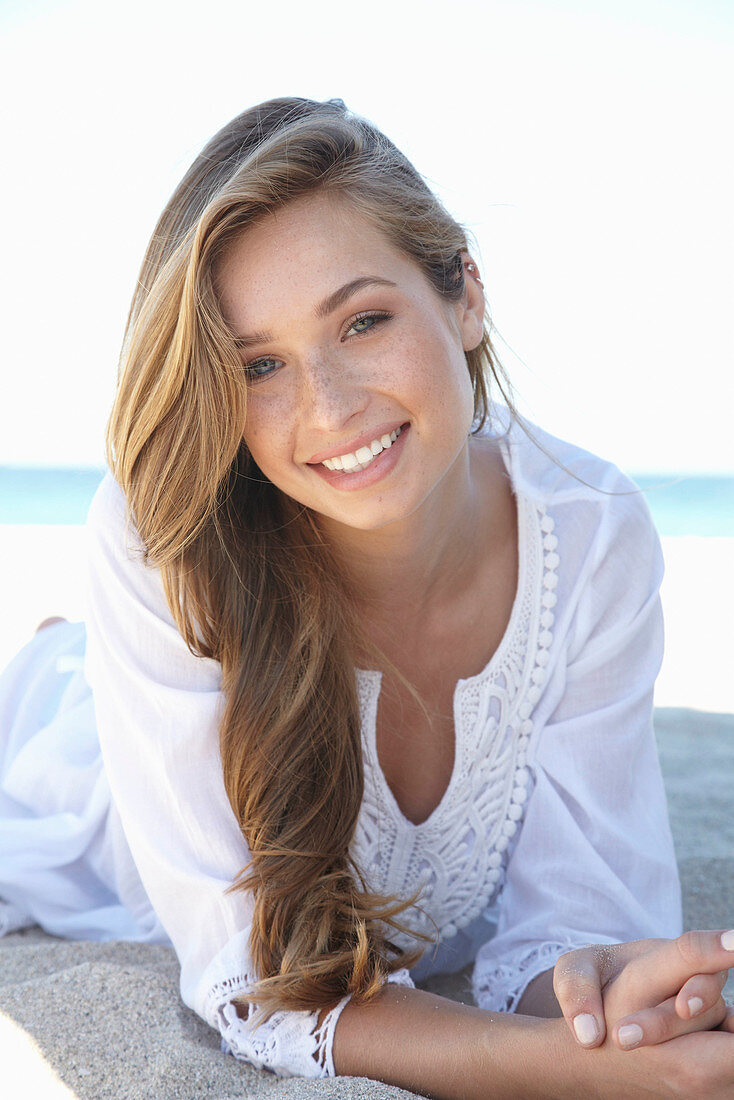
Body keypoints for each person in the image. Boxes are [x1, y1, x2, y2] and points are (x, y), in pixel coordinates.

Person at [0, 96, 732, 1097]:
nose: (330, 406)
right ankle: (59, 663)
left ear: (463, 296)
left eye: (362, 320)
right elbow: (255, 984)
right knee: (47, 732)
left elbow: (573, 919)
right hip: (85, 785)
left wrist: (610, 1003)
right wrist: (567, 1073)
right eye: (259, 363)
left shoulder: (592, 534)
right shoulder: (166, 541)